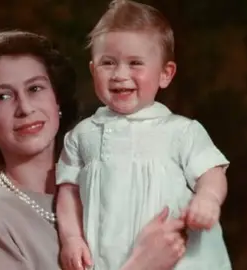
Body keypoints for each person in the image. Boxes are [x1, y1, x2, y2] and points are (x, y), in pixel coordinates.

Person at [0, 30, 188, 270]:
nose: (25, 107)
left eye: (35, 89)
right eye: (2, 96)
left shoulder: (103, 180)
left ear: (57, 99)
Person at [56, 1, 231, 270]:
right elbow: (68, 192)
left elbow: (212, 172)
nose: (120, 74)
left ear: (165, 74)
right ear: (93, 71)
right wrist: (71, 238)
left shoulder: (180, 131)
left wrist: (207, 199)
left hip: (172, 257)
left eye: (135, 63)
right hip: (109, 259)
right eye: (108, 63)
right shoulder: (82, 135)